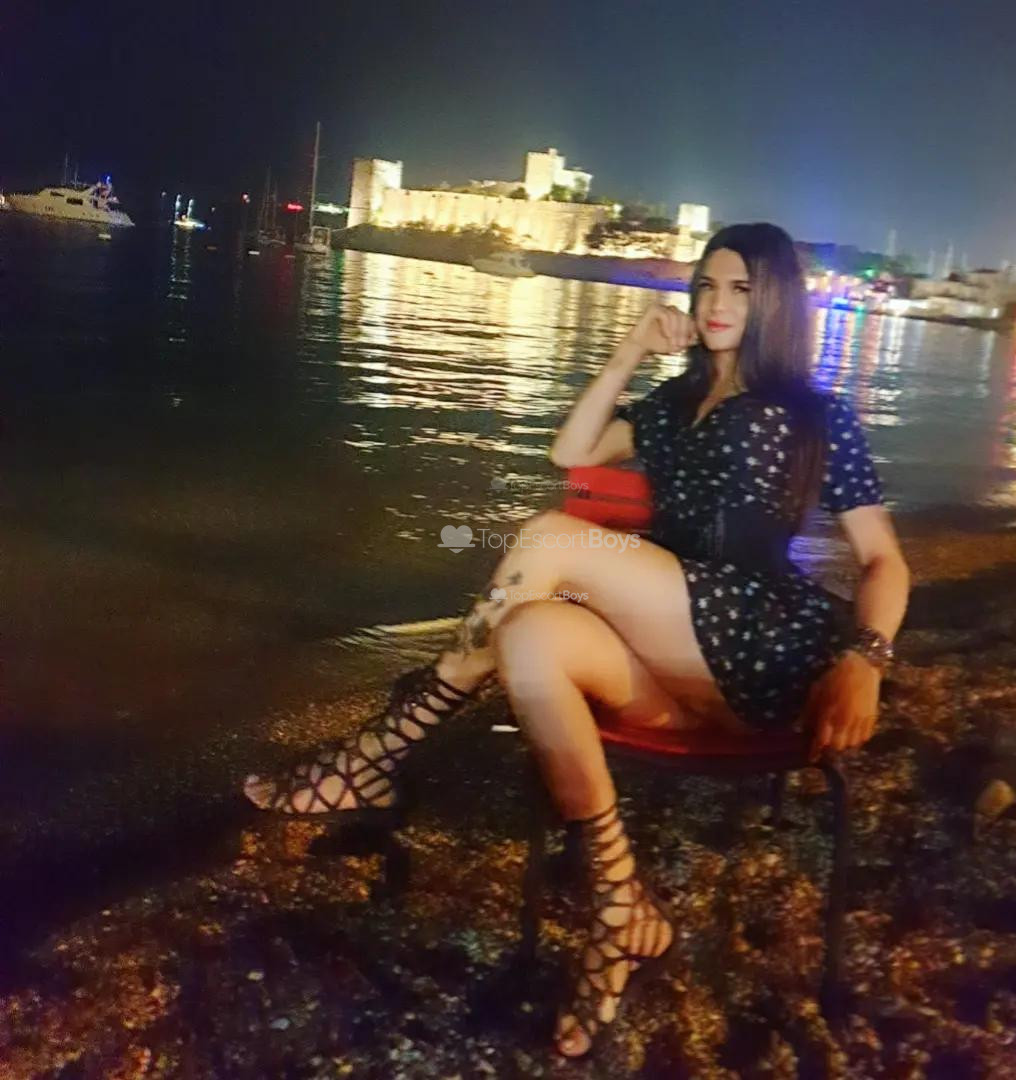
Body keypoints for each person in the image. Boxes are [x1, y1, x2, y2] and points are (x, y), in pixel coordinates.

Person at [243, 222, 911, 1059]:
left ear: (775, 298)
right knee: (527, 636)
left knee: (548, 537)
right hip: (674, 662)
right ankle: (618, 903)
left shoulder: (814, 413)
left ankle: (381, 752)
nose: (716, 303)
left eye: (741, 288)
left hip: (763, 648)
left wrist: (866, 658)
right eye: (705, 285)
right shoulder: (669, 408)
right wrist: (630, 349)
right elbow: (573, 448)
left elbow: (883, 561)